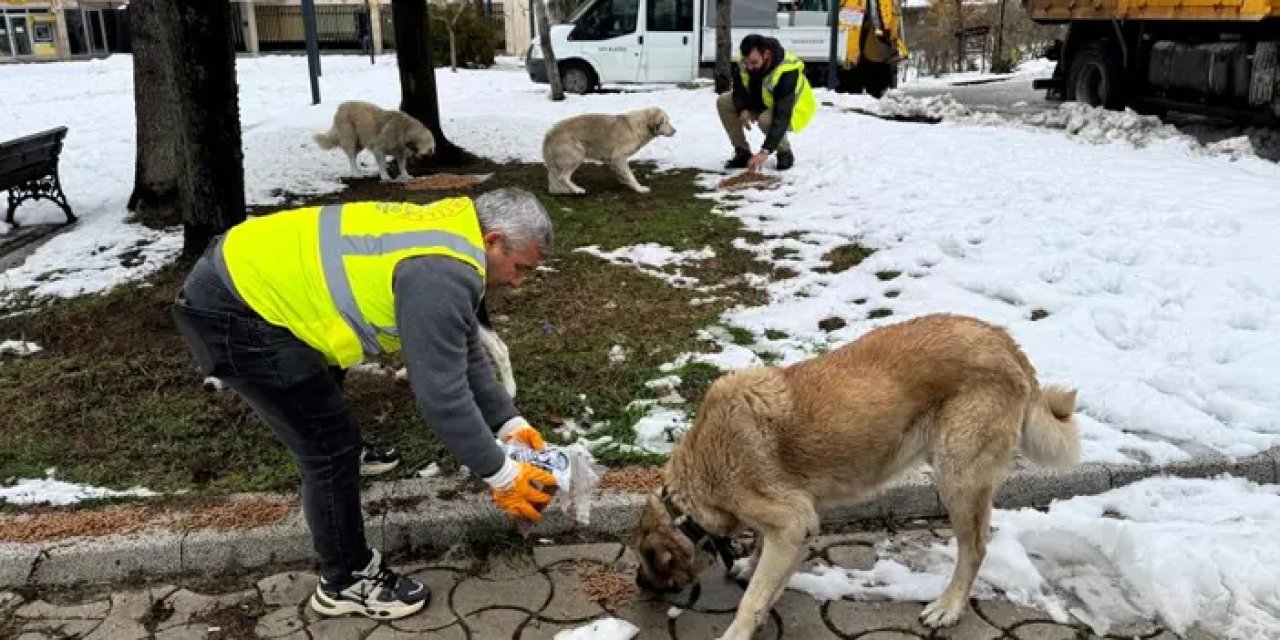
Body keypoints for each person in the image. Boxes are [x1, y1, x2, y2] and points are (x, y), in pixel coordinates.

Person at [171, 188, 558, 620]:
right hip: (234, 311)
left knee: (330, 427)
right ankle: (345, 581)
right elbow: (443, 398)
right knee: (328, 447)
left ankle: (347, 462)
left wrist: (509, 423)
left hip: (253, 276)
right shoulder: (442, 273)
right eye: (520, 267)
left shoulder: (455, 235)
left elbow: (463, 346)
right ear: (493, 240)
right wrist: (502, 474)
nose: (519, 280)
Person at [716, 33, 818, 172]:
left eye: (754, 63)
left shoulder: (787, 70)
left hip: (792, 108)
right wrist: (742, 109)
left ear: (767, 54)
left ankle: (785, 153)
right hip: (762, 101)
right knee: (723, 102)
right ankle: (742, 153)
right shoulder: (745, 60)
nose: (750, 67)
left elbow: (782, 114)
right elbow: (739, 89)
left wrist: (765, 151)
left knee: (765, 120)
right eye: (747, 62)